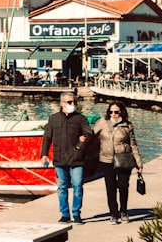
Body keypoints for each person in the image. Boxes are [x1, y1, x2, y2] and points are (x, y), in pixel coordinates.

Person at [40, 92, 95, 223]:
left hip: (77, 159)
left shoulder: (80, 119)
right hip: (59, 158)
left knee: (77, 185)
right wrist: (44, 155)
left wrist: (81, 143)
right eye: (69, 102)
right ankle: (65, 214)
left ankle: (76, 213)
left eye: (74, 102)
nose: (73, 105)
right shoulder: (53, 119)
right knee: (62, 187)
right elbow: (47, 138)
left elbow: (89, 134)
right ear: (61, 103)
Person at [94, 103, 144, 224]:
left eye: (116, 112)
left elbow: (133, 145)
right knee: (110, 187)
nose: (113, 114)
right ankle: (113, 213)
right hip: (106, 160)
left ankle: (123, 211)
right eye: (111, 112)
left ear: (121, 112)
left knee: (123, 186)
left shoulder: (127, 125)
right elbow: (92, 137)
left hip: (123, 159)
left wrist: (139, 163)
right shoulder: (102, 123)